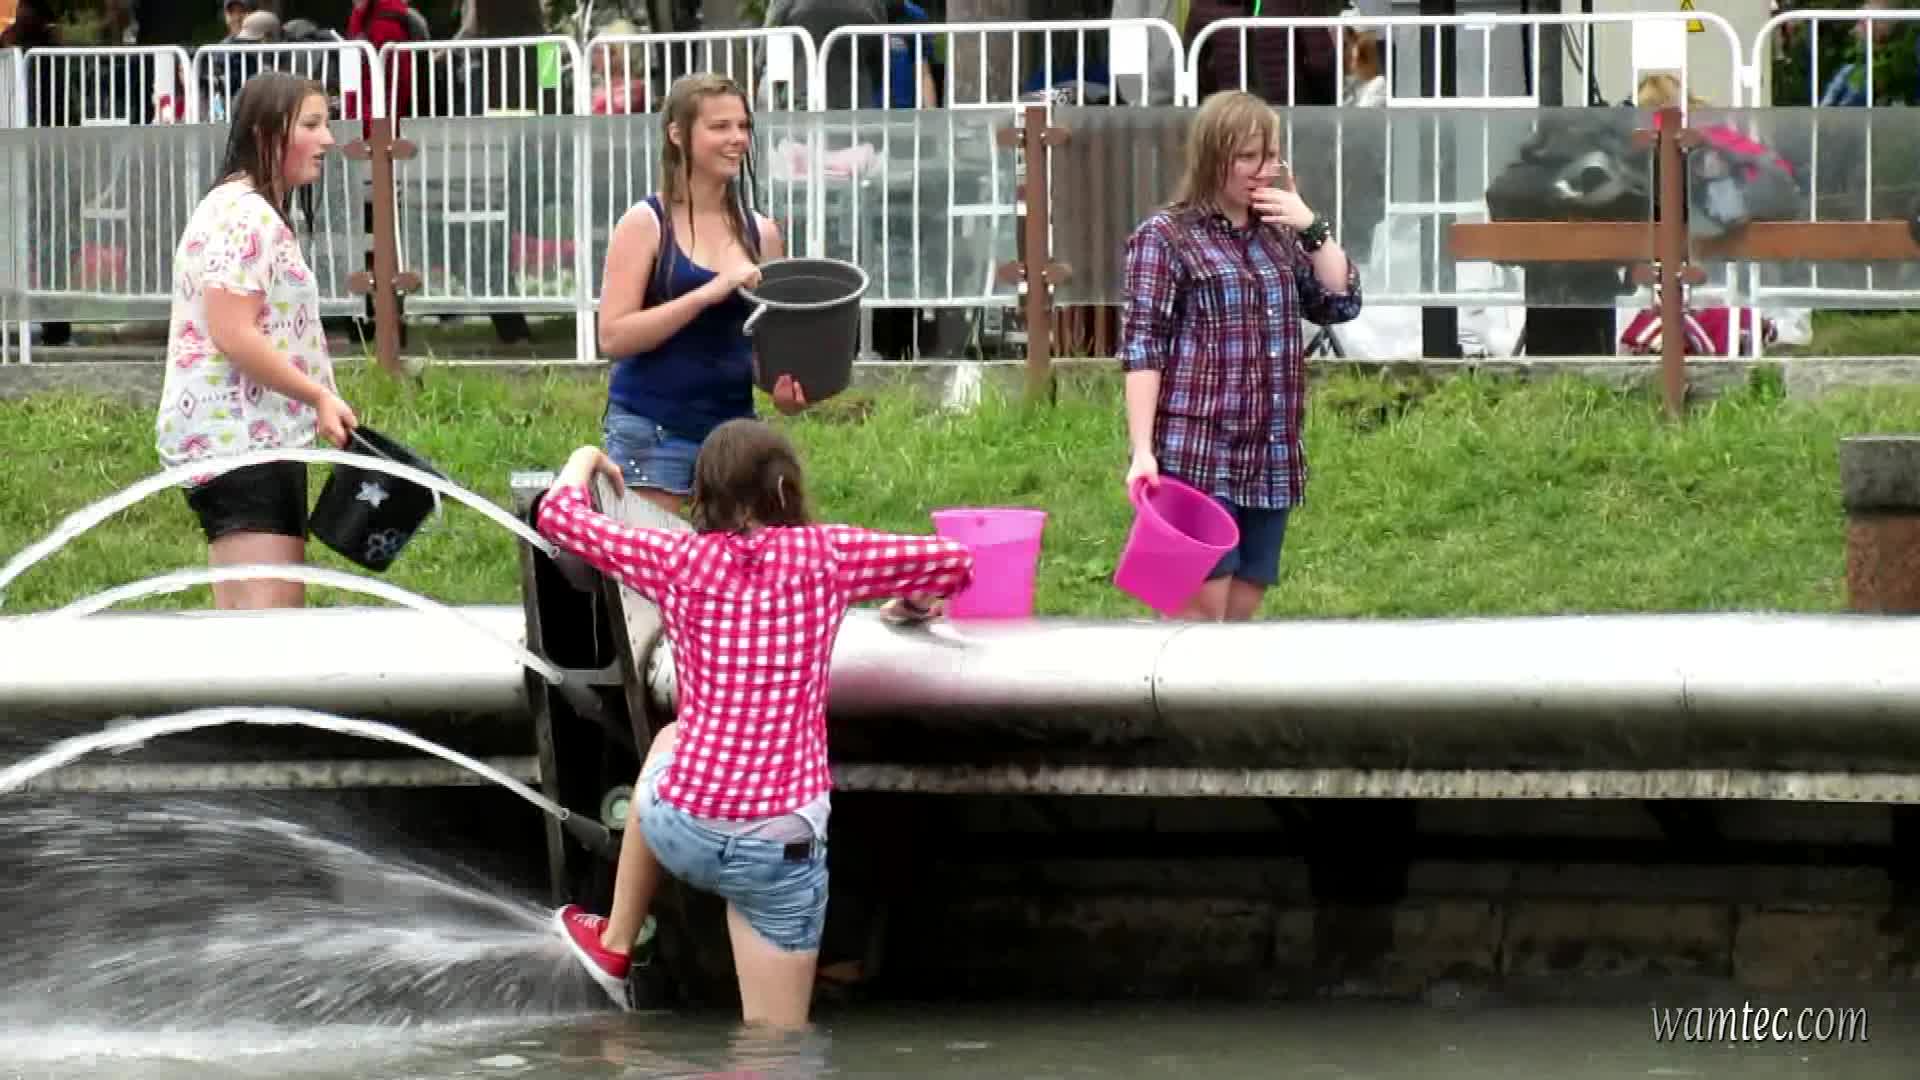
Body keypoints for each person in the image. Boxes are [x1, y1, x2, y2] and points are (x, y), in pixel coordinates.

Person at [538, 420, 975, 1028]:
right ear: (786, 489)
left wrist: (587, 457)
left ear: (704, 495)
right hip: (776, 849)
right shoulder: (827, 555)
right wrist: (913, 601)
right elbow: (954, 562)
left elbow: (558, 518)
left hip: (683, 824)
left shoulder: (678, 559)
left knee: (671, 739)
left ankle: (616, 941)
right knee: (775, 1048)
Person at [1119, 90, 1361, 622]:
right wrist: (1142, 450)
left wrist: (1311, 227)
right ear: (1213, 157)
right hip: (1199, 450)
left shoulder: (1279, 234)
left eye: (1271, 155)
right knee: (1201, 613)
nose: (1262, 169)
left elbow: (1339, 302)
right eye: (1248, 156)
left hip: (1271, 452)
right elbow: (1143, 347)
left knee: (1242, 612)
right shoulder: (1166, 236)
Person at [154, 73, 358, 611]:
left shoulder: (231, 206)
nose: (328, 139)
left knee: (247, 624)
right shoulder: (247, 216)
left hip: (240, 439)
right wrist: (318, 396)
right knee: (271, 630)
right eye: (312, 124)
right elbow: (233, 331)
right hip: (245, 441)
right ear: (267, 133)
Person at [597, 73, 807, 517]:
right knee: (655, 564)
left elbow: (764, 349)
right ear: (677, 134)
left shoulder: (762, 233)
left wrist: (782, 389)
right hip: (653, 432)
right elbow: (613, 337)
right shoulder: (645, 223)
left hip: (736, 438)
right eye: (720, 127)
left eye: (743, 126)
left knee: (741, 562)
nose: (737, 139)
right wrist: (706, 293)